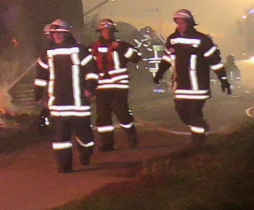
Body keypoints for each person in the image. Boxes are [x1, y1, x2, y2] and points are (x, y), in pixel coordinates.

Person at [152, 9, 231, 148]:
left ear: (190, 23)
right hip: (180, 87)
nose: (180, 25)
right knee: (182, 113)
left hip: (198, 87)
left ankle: (198, 141)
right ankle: (200, 127)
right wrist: (160, 72)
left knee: (194, 114)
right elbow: (167, 58)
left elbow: (215, 61)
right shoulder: (172, 39)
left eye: (183, 22)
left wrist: (223, 79)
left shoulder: (202, 40)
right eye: (178, 22)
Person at [35, 19, 98, 172]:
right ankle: (64, 166)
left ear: (66, 34)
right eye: (54, 33)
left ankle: (86, 152)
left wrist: (90, 87)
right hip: (58, 103)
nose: (56, 36)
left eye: (60, 33)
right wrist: (38, 93)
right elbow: (41, 75)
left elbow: (92, 71)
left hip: (78, 103)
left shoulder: (80, 50)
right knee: (60, 139)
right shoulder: (47, 53)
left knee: (85, 137)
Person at [89, 18, 141, 151]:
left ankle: (131, 135)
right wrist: (90, 85)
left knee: (122, 112)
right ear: (100, 32)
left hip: (119, 85)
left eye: (109, 30)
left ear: (113, 31)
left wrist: (121, 48)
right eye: (104, 30)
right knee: (103, 116)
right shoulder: (94, 47)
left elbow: (136, 58)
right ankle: (107, 144)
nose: (107, 33)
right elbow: (89, 67)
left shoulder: (122, 45)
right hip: (102, 86)